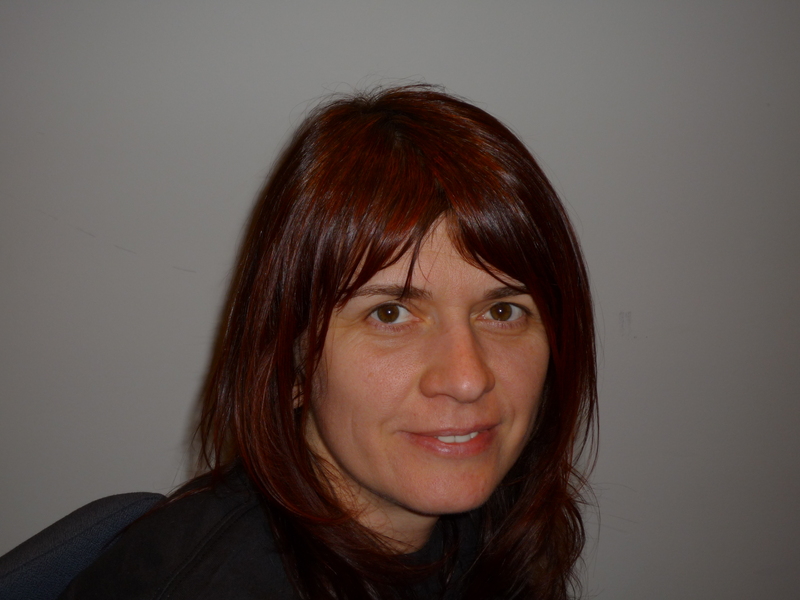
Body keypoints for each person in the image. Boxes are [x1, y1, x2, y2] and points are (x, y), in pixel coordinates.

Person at [60, 84, 597, 600]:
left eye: (503, 311)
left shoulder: (494, 524)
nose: (467, 378)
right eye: (390, 314)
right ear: (290, 362)